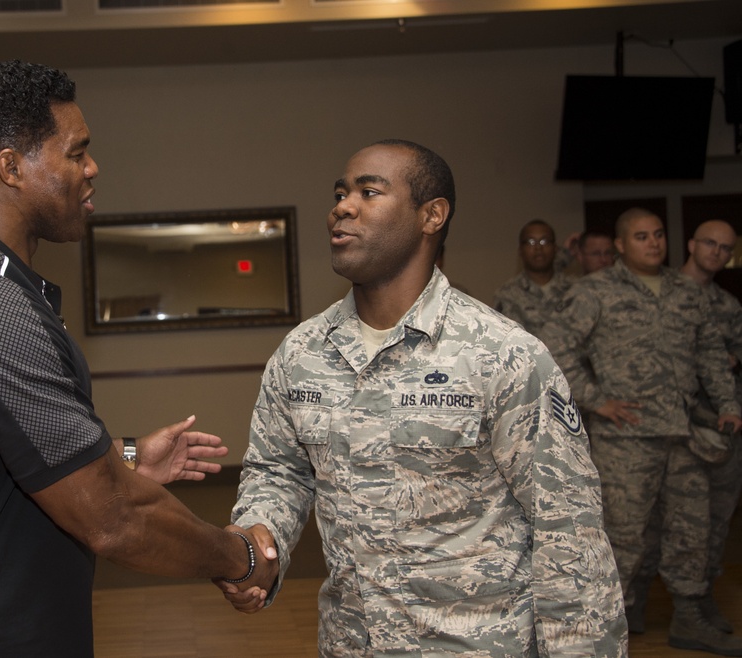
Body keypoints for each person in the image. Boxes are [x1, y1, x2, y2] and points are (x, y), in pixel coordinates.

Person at [0, 60, 276, 657]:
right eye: (76, 153)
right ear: (11, 167)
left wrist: (126, 456)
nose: (92, 169)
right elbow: (112, 518)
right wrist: (240, 556)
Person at [218, 139, 627, 656]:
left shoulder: (501, 354)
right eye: (341, 193)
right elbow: (279, 471)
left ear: (431, 215)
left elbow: (568, 531)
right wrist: (260, 539)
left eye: (370, 192)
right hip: (354, 642)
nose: (342, 207)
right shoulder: (302, 353)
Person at [541, 208, 742, 656]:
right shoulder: (594, 290)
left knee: (690, 528)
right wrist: (595, 399)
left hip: (683, 433)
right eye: (641, 236)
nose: (653, 243)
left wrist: (728, 404)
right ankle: (613, 617)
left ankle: (689, 616)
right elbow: (554, 347)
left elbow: (711, 351)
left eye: (657, 235)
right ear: (620, 245)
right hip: (624, 439)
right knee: (624, 536)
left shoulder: (685, 291)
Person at [627, 219, 742, 638]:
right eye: (709, 243)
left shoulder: (724, 305)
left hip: (711, 432)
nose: (716, 252)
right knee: (645, 526)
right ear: (692, 244)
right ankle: (638, 604)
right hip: (653, 430)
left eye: (725, 247)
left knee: (703, 524)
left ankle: (696, 603)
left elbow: (719, 358)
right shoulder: (652, 289)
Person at [493, 219, 574, 338]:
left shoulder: (575, 290)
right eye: (530, 242)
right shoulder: (506, 294)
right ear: (520, 250)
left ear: (555, 248)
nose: (538, 248)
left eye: (544, 241)